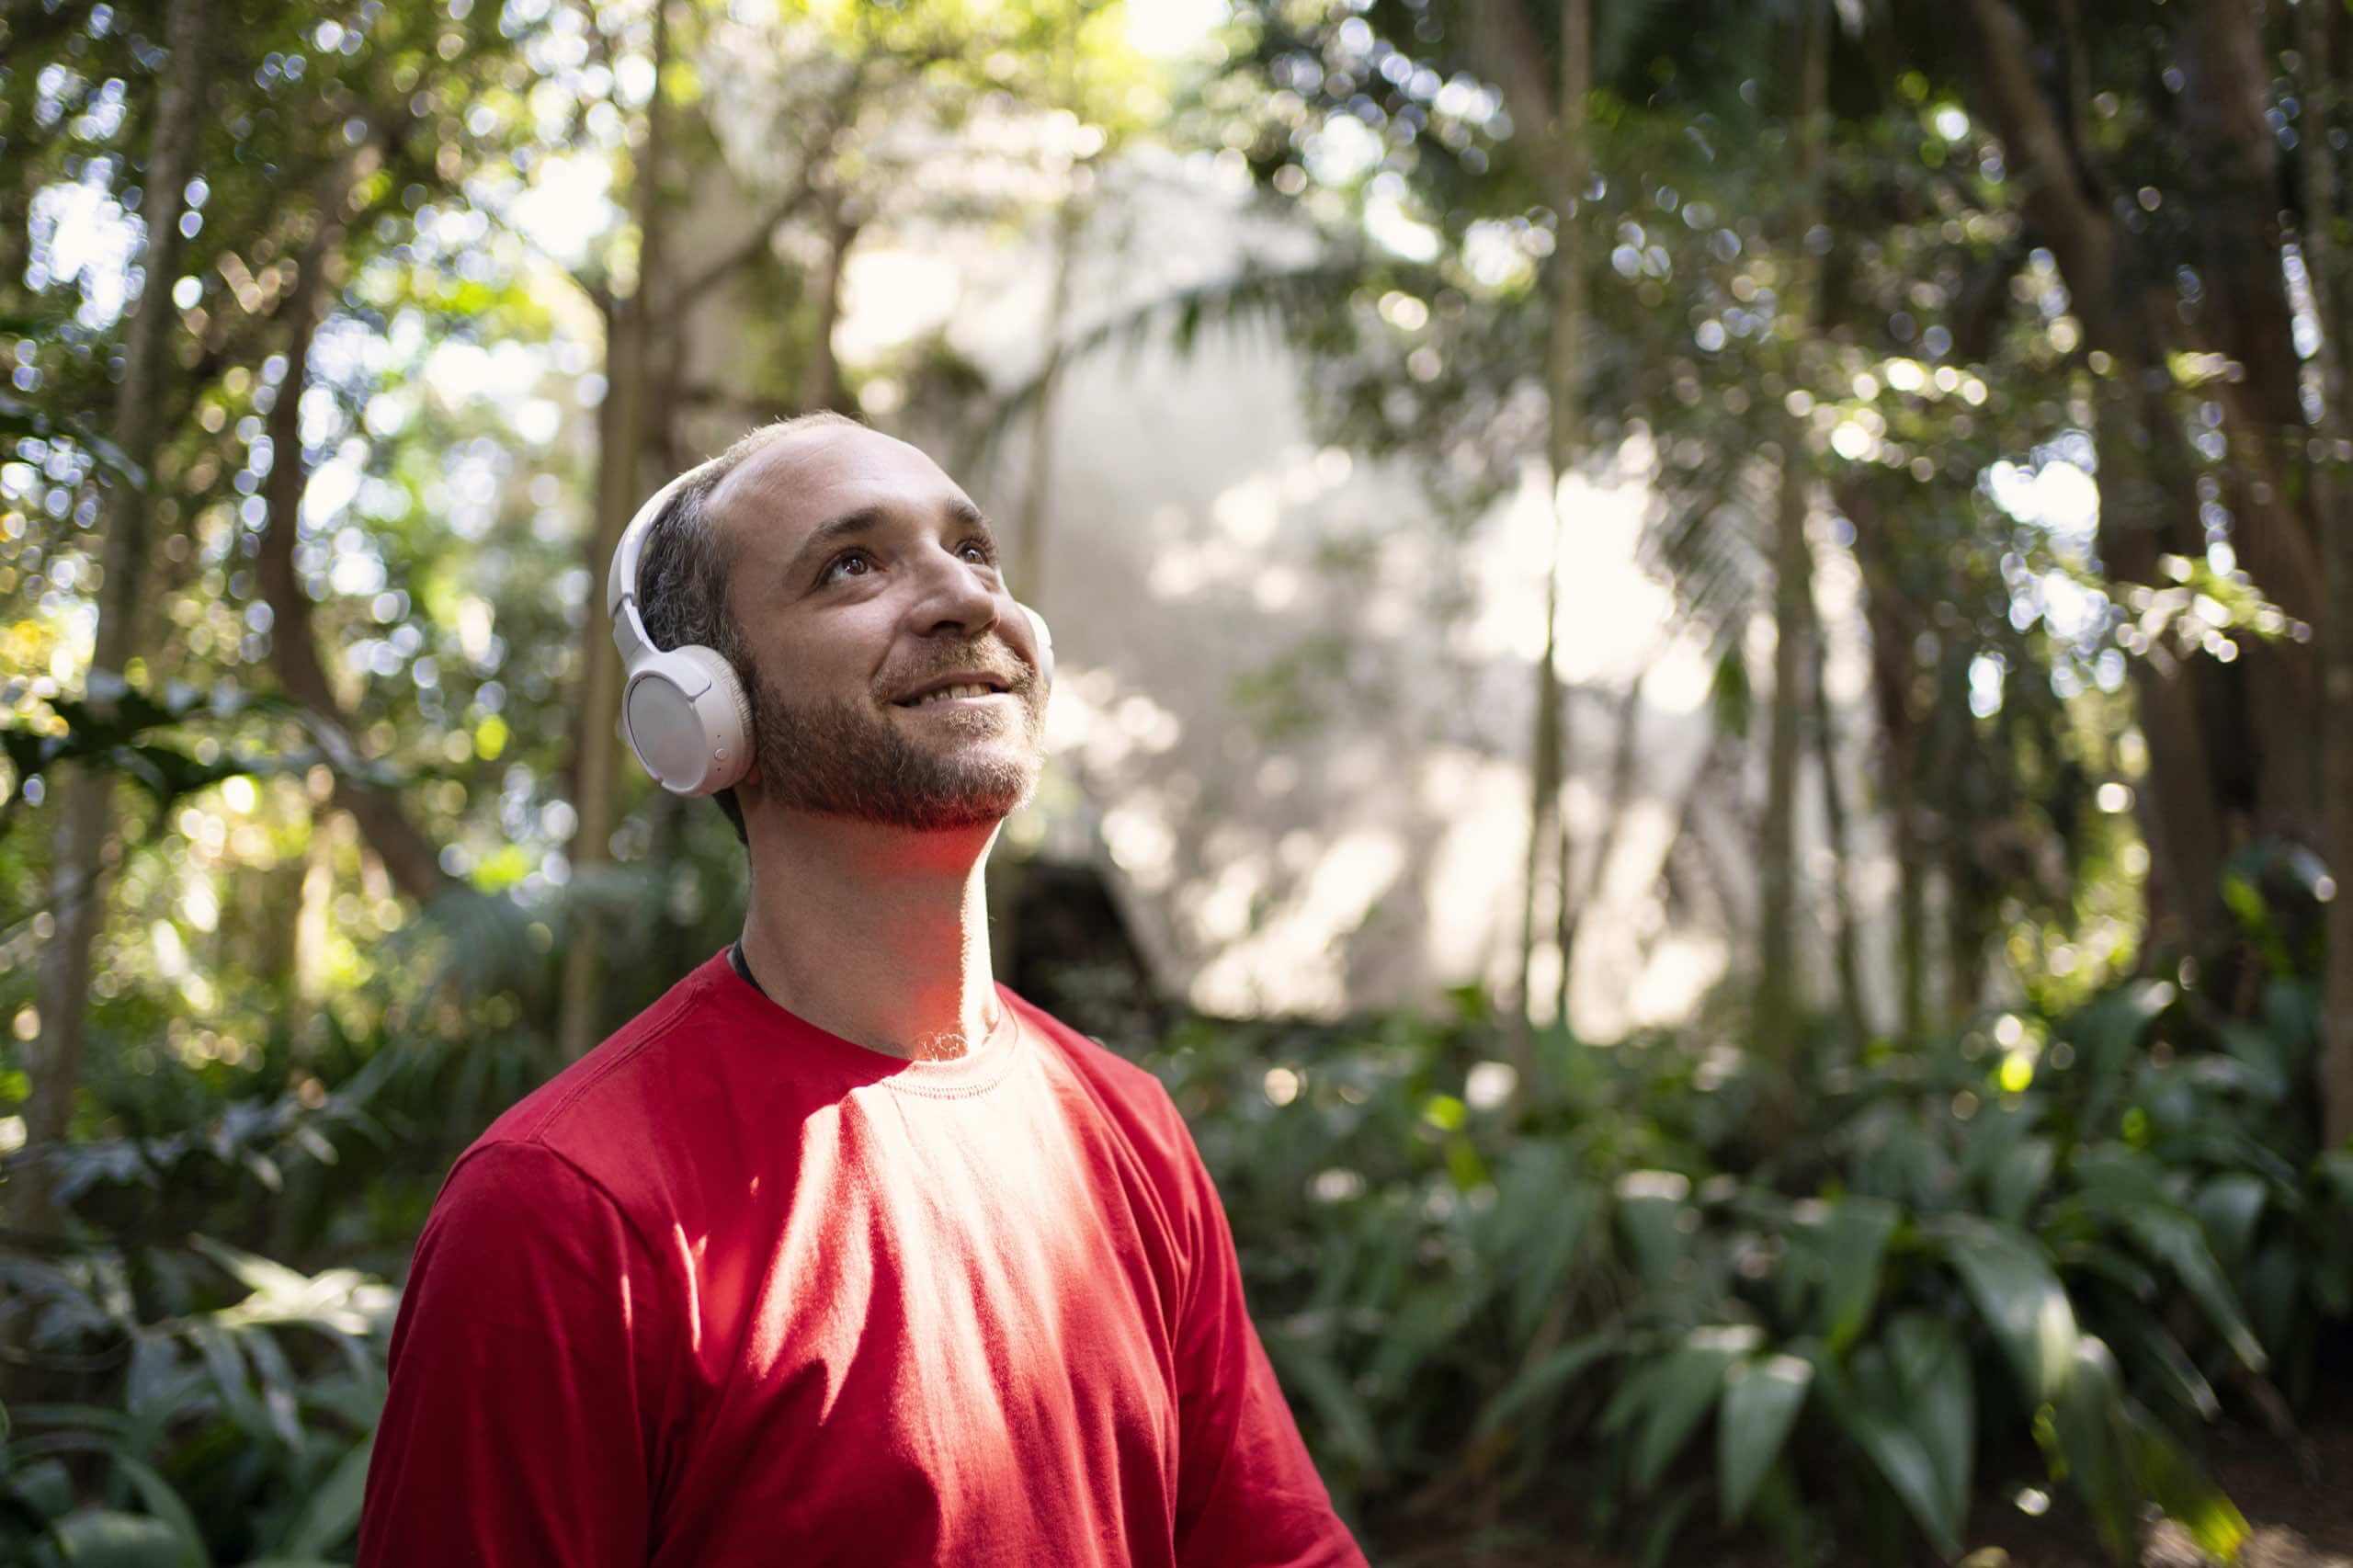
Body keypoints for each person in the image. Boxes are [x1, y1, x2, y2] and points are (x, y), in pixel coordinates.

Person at [355, 411, 1366, 1567]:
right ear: (704, 707)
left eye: (972, 551)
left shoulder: (1128, 1130)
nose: (961, 599)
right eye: (853, 565)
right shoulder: (562, 1211)